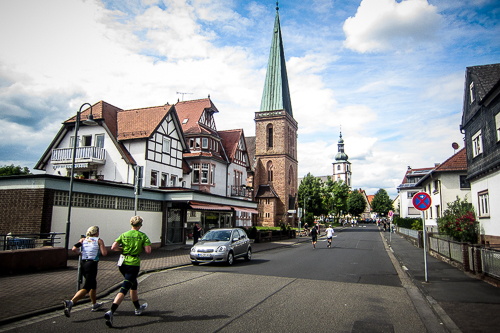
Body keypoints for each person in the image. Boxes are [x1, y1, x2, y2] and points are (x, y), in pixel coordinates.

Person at [104, 216, 152, 328]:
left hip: (122, 263)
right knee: (125, 288)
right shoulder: (142, 236)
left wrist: (124, 249)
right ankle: (111, 311)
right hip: (133, 264)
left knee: (133, 284)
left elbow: (113, 247)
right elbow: (148, 251)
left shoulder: (124, 234)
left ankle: (137, 307)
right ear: (139, 225)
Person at [63, 226, 107, 317]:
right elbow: (104, 253)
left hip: (83, 264)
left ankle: (94, 304)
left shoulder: (83, 240)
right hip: (92, 264)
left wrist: (79, 253)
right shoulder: (99, 240)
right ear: (96, 233)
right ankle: (71, 302)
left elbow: (74, 248)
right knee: (87, 286)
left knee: (93, 284)